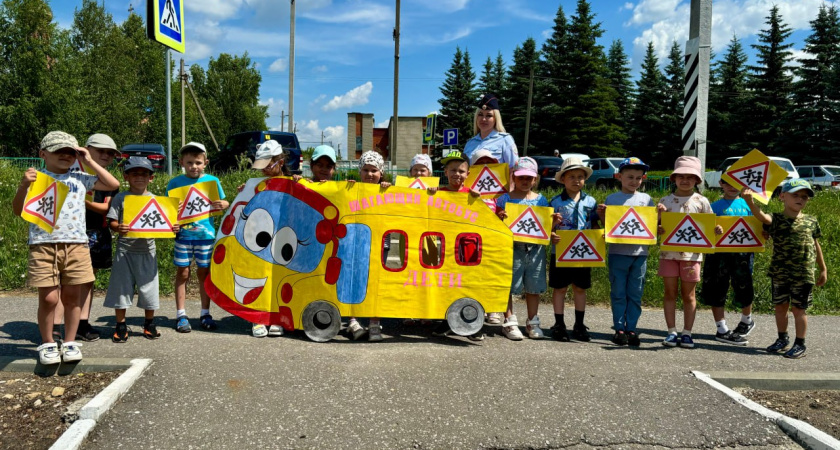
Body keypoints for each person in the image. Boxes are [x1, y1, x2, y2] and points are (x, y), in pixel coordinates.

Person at [13, 131, 120, 364]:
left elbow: (113, 184)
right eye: (57, 150)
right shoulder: (36, 178)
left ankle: (70, 342)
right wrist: (23, 186)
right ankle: (48, 342)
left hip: (77, 245)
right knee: (50, 298)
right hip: (43, 245)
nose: (64, 155)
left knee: (73, 296)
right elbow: (18, 210)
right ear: (43, 153)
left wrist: (88, 159)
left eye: (70, 152)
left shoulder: (80, 176)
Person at [744, 179, 826, 359]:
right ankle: (782, 338)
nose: (800, 199)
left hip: (804, 274)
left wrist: (823, 269)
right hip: (780, 273)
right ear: (782, 196)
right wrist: (750, 202)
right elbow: (763, 217)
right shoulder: (776, 219)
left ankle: (800, 343)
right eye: (795, 195)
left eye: (804, 197)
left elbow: (816, 245)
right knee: (780, 307)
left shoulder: (811, 221)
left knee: (799, 309)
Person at [54, 133, 121, 342]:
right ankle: (56, 325)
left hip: (95, 232)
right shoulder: (69, 170)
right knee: (61, 280)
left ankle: (82, 322)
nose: (106, 156)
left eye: (110, 153)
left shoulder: (104, 178)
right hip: (65, 231)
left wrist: (81, 199)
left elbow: (106, 207)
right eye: (101, 151)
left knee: (87, 280)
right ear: (86, 148)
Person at [105, 158, 178, 342]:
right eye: (135, 173)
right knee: (121, 288)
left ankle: (149, 323)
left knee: (149, 288)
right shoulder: (121, 198)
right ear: (126, 176)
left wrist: (174, 227)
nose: (139, 177)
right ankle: (120, 325)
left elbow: (168, 224)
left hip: (147, 250)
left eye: (144, 174)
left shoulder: (157, 200)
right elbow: (111, 220)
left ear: (151, 178)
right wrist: (117, 227)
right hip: (125, 251)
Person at [166, 142, 229, 333]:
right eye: (190, 162)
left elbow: (223, 201)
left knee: (204, 274)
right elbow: (167, 212)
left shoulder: (212, 181)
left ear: (205, 163)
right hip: (183, 236)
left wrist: (224, 204)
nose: (194, 166)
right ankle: (181, 315)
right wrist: (172, 221)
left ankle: (205, 313)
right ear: (182, 163)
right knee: (182, 273)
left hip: (206, 236)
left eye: (198, 162)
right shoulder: (175, 183)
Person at [597, 157, 654, 347]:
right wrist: (602, 214)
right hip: (617, 252)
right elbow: (608, 225)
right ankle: (619, 328)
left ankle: (632, 328)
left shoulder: (647, 199)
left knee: (635, 293)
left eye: (638, 178)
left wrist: (659, 215)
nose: (634, 181)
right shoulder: (611, 199)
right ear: (619, 176)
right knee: (618, 292)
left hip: (640, 253)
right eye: (630, 177)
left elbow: (652, 225)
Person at [239, 140, 293, 338]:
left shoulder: (293, 182)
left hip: (284, 235)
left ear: (280, 161)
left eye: (268, 166)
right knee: (259, 274)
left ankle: (278, 317)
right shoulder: (256, 185)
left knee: (281, 275)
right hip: (260, 237)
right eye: (262, 167)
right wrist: (243, 193)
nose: (265, 171)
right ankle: (258, 317)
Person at [657, 156, 711, 348]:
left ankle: (687, 332)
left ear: (697, 180)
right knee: (669, 292)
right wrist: (659, 223)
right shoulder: (664, 201)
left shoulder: (702, 201)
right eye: (681, 176)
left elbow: (710, 227)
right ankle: (671, 331)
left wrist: (717, 230)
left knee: (689, 295)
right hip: (668, 254)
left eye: (690, 176)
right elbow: (656, 228)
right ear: (674, 178)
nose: (685, 180)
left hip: (692, 256)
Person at [496, 157, 550, 340]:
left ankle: (532, 321)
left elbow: (546, 225)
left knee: (533, 286)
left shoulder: (541, 201)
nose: (525, 181)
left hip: (536, 250)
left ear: (535, 179)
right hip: (511, 248)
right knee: (508, 285)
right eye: (521, 178)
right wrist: (500, 217)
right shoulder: (504, 199)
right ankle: (509, 320)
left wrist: (553, 223)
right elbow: (495, 224)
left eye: (529, 178)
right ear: (513, 178)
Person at [700, 178, 757, 346]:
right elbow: (705, 229)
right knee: (717, 288)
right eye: (728, 183)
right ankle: (721, 328)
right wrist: (714, 230)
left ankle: (746, 320)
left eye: (737, 183)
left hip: (743, 255)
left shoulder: (749, 205)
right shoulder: (713, 206)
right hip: (718, 255)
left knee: (744, 286)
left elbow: (758, 227)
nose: (733, 187)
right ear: (721, 184)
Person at [548, 157, 599, 342]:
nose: (576, 180)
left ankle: (579, 324)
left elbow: (594, 224)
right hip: (560, 251)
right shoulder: (554, 202)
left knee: (580, 288)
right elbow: (547, 227)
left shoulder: (591, 202)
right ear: (563, 179)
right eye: (571, 176)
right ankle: (559, 324)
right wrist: (551, 232)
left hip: (583, 252)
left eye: (580, 176)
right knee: (560, 288)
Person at [346, 151, 392, 341]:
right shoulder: (351, 189)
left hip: (381, 244)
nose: (369, 174)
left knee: (376, 282)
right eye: (365, 170)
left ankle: (374, 322)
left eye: (374, 170)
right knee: (353, 281)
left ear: (381, 173)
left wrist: (388, 190)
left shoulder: (387, 190)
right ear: (359, 171)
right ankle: (353, 320)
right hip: (356, 243)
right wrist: (346, 190)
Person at [463, 93, 518, 168]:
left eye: (489, 115)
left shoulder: (505, 140)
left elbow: (513, 169)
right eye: (480, 114)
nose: (483, 119)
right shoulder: (469, 143)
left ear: (496, 119)